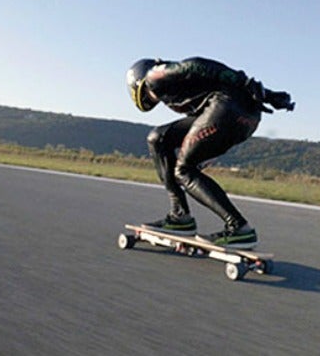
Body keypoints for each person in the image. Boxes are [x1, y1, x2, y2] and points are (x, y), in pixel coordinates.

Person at [126, 57, 294, 248]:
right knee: (158, 138)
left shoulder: (153, 76)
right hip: (245, 117)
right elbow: (230, 82)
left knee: (184, 171)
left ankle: (238, 227)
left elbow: (197, 64)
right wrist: (269, 95)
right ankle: (179, 216)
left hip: (224, 109)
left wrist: (244, 81)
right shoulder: (179, 86)